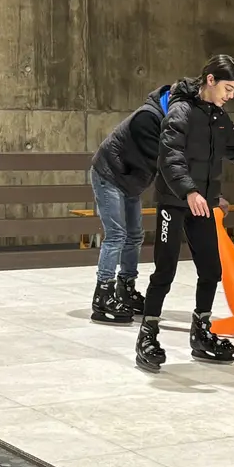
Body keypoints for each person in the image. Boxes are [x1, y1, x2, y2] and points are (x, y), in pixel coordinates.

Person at [134, 55, 234, 373]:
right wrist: (189, 190)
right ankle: (148, 334)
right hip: (175, 201)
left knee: (211, 269)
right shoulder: (180, 110)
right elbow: (170, 155)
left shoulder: (218, 119)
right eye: (228, 88)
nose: (231, 95)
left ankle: (202, 332)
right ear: (210, 79)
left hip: (203, 203)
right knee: (164, 271)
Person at [87, 83, 170, 323]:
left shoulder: (167, 121)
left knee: (135, 235)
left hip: (130, 180)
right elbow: (163, 160)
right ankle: (102, 295)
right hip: (109, 175)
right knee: (116, 234)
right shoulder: (147, 118)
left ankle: (126, 288)